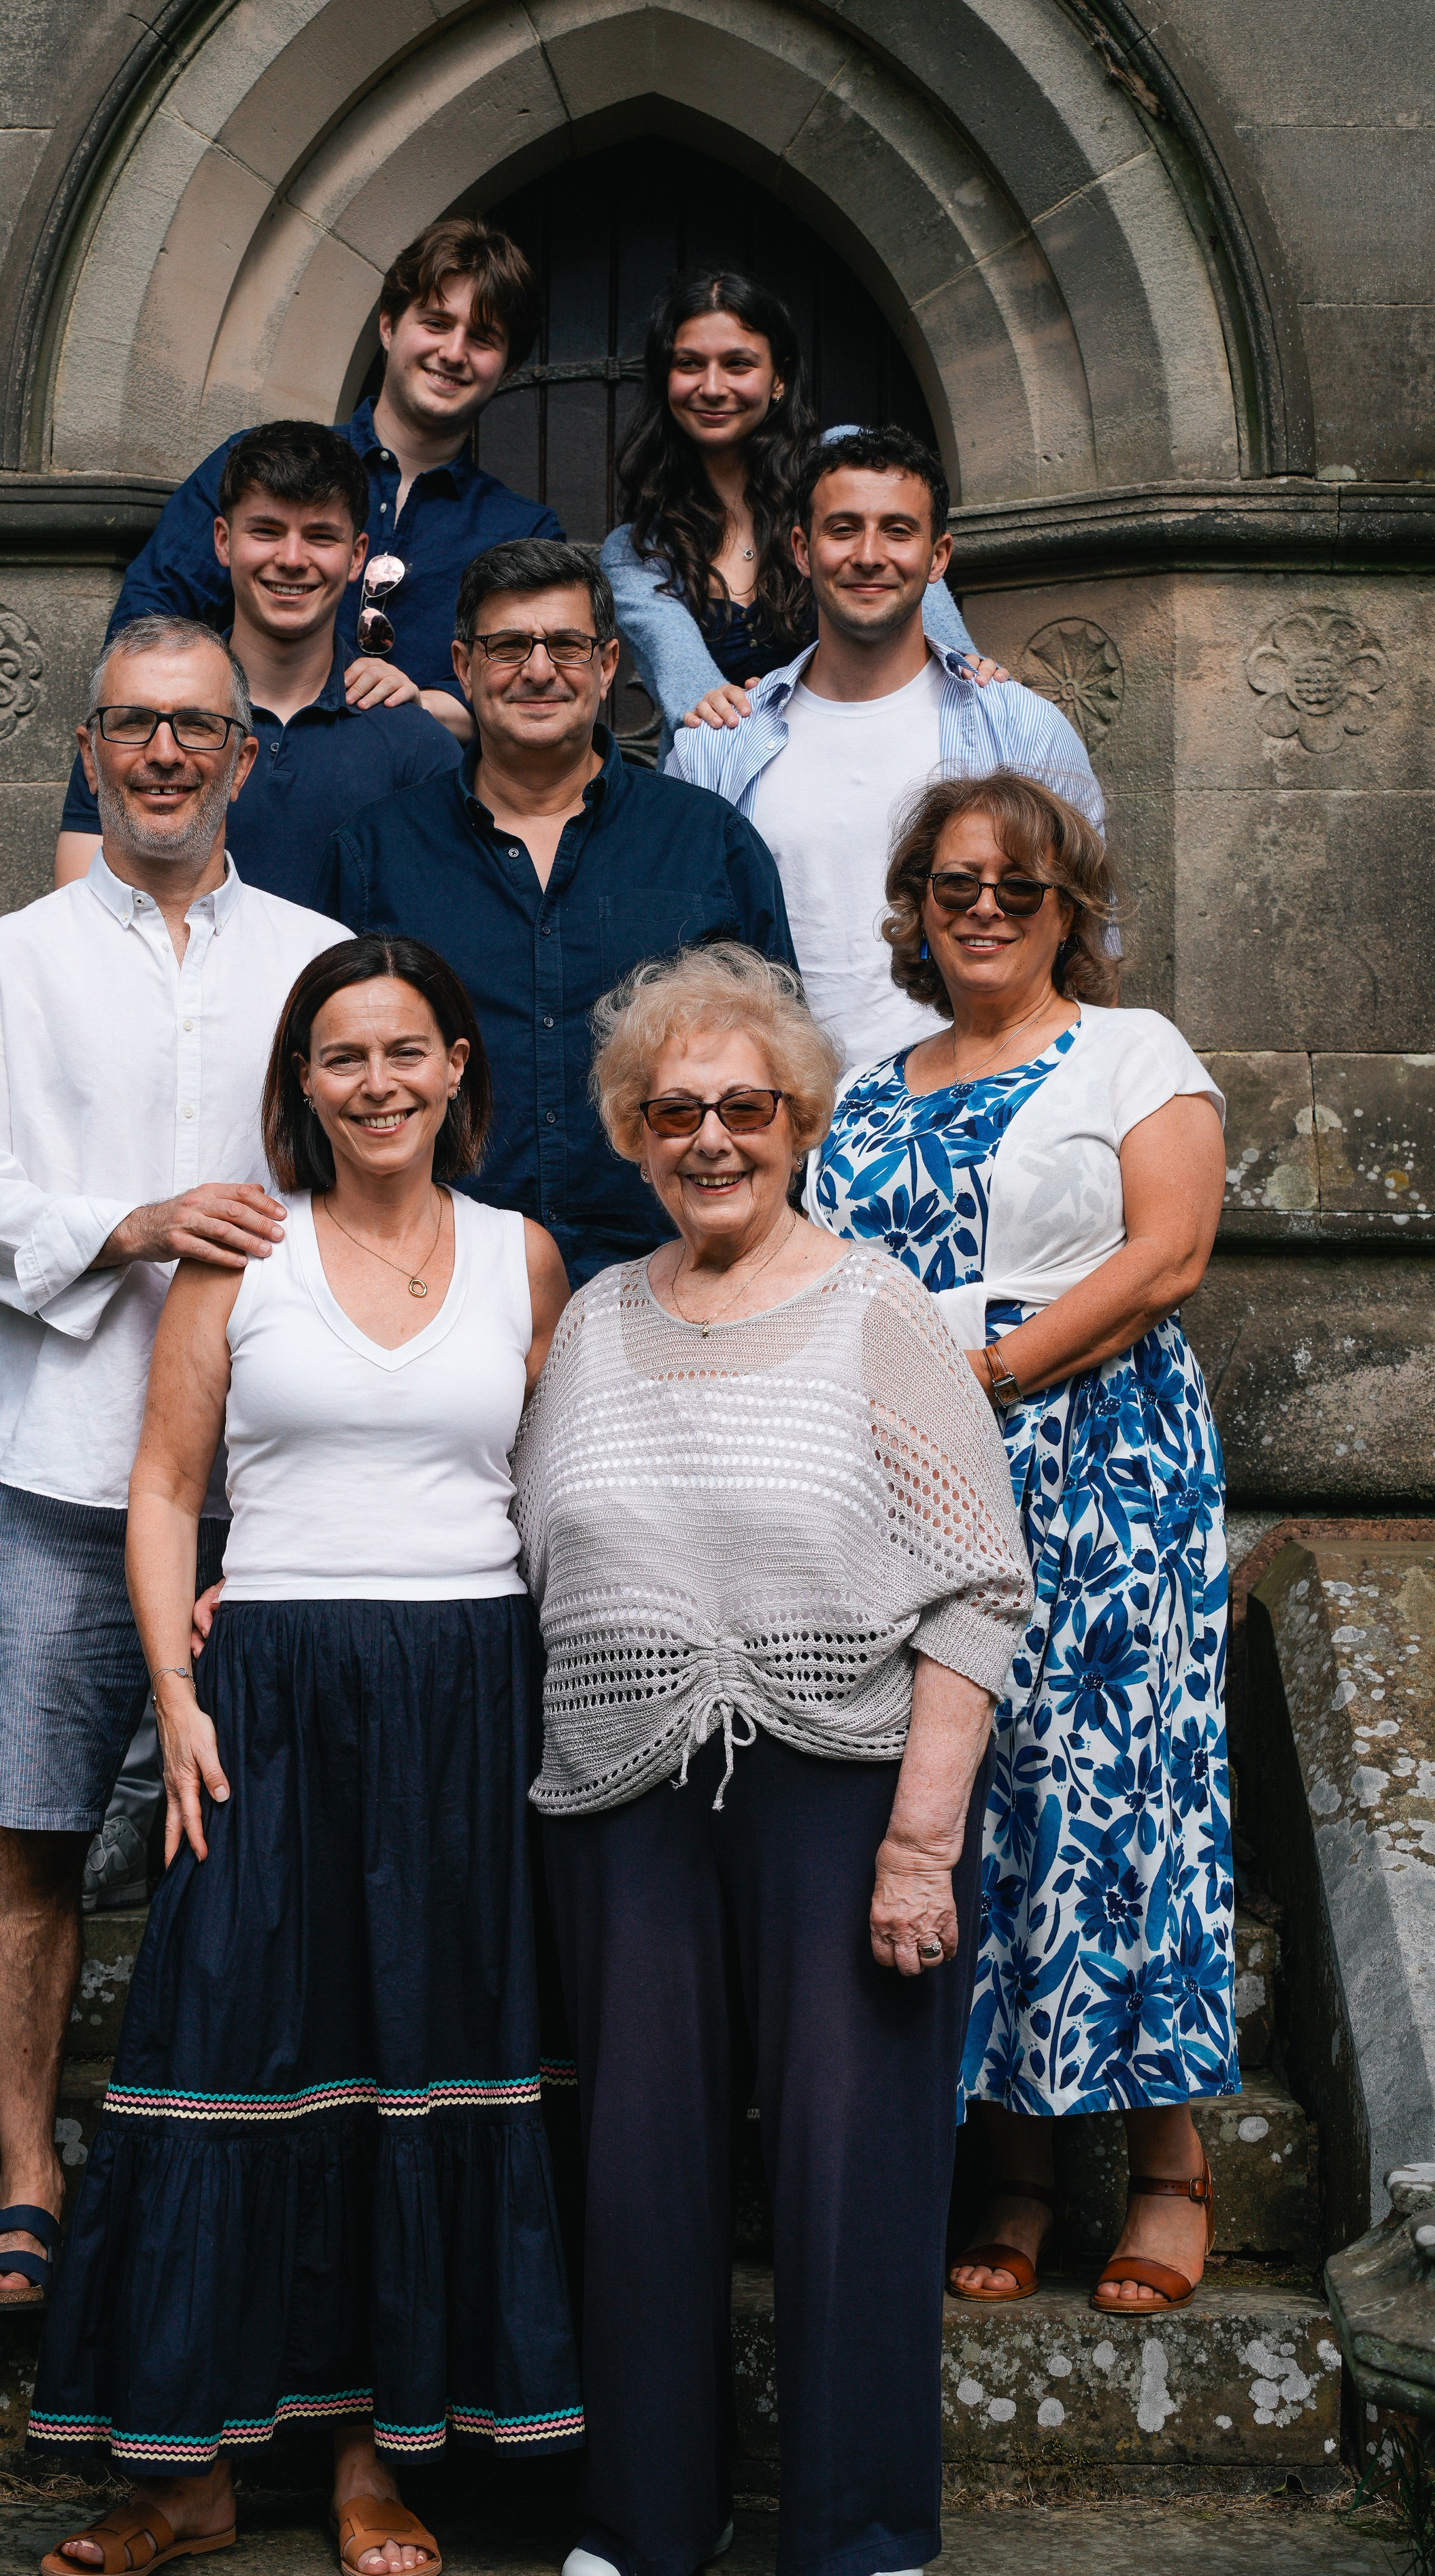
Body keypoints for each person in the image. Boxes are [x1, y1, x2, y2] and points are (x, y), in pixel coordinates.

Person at [29, 934, 583, 2576]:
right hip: (264, 1688)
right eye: (343, 1055)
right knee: (226, 2044)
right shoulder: (239, 1259)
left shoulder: (523, 1258)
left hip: (466, 1693)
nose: (377, 1081)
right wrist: (177, 1695)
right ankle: (187, 2476)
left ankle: (369, 2461)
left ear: (458, 1065)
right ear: (302, 1084)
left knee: (410, 2058)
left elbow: (554, 1495)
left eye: (406, 1049)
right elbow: (160, 1486)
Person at [512, 941, 1032, 2576]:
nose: (710, 1139)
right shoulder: (593, 1321)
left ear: (799, 1121)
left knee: (850, 2175)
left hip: (843, 1793)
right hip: (621, 1798)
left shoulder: (873, 1309)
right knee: (636, 2172)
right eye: (675, 1112)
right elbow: (520, 1549)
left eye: (744, 1108)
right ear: (632, 1134)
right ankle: (644, 2520)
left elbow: (977, 1585)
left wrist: (918, 1844)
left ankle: (858, 2531)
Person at [0, 615, 349, 2311]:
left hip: (273, 1487)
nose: (165, 753)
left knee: (257, 1850)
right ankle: (29, 2185)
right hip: (56, 1471)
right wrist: (132, 1224)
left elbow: (364, 1179)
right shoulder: (6, 964)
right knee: (31, 1827)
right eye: (133, 726)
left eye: (196, 728)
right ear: (89, 750)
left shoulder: (315, 959)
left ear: (244, 755)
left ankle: (233, 2186)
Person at [806, 769, 1234, 2317]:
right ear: (914, 909)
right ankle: (1018, 2169)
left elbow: (1165, 1254)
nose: (983, 907)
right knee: (968, 1800)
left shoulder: (1131, 1051)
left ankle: (1170, 2164)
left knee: (1110, 1797)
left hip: (1098, 1467)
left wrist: (986, 1371)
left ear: (1068, 908)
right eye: (953, 885)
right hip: (914, 1478)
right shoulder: (865, 1084)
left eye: (1018, 886)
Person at [313, 539, 796, 1289]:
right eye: (508, 647)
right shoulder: (375, 856)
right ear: (462, 665)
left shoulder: (709, 843)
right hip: (438, 1286)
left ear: (607, 665)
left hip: (675, 1277)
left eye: (566, 646)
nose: (539, 671)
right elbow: (327, 1076)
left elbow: (782, 1078)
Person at [58, 212, 558, 836]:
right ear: (388, 326)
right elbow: (146, 628)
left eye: (482, 339)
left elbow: (541, 694)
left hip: (416, 823)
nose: (453, 353)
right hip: (231, 802)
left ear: (506, 367)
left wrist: (432, 703)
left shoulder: (523, 531)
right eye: (435, 323)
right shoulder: (262, 465)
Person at [665, 424, 1101, 1082]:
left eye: (898, 531)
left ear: (938, 555)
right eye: (843, 530)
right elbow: (678, 961)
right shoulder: (716, 747)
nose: (869, 556)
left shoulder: (1022, 732)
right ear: (802, 549)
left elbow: (1090, 948)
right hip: (775, 1112)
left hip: (980, 1106)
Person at [54, 422, 459, 899]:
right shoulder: (135, 728)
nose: (292, 558)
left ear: (357, 556)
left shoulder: (417, 746)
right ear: (223, 541)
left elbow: (439, 923)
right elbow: (80, 917)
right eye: (266, 531)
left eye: (320, 536)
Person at [599, 271, 989, 762]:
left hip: (886, 747)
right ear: (665, 378)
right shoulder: (636, 551)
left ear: (779, 378)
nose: (713, 387)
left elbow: (942, 642)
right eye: (690, 364)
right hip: (728, 771)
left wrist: (973, 674)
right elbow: (698, 703)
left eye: (738, 364)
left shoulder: (841, 466)